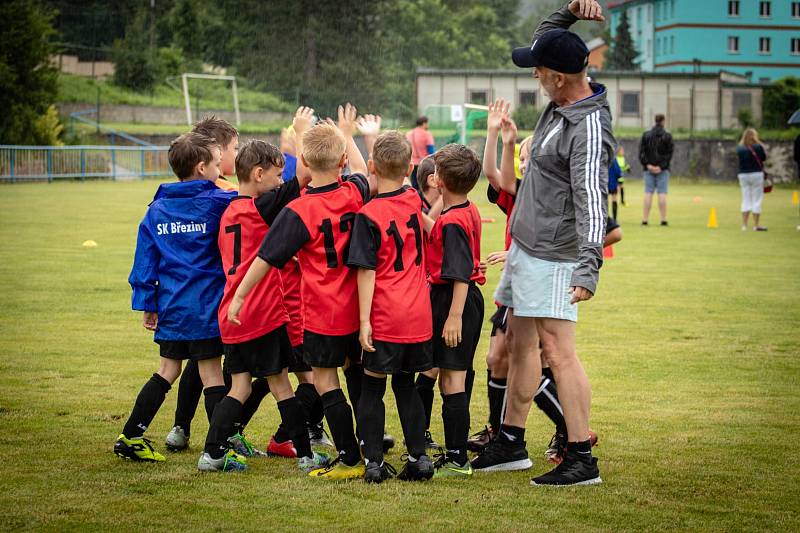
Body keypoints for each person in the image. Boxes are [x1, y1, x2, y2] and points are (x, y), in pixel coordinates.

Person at [476, 0, 613, 487]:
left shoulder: (587, 126)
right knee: (519, 342)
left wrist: (589, 266)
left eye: (538, 69)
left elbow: (592, 199)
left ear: (557, 77)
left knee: (558, 350)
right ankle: (511, 442)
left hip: (557, 254)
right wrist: (567, 11)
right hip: (526, 248)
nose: (533, 74)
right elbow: (547, 38)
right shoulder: (562, 101)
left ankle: (581, 457)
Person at [228, 104, 375, 480]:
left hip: (322, 312)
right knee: (359, 376)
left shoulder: (298, 211)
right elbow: (363, 172)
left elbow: (265, 258)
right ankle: (369, 447)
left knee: (326, 382)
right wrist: (348, 135)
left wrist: (240, 296)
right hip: (359, 308)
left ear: (303, 162)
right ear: (341, 158)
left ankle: (348, 459)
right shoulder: (355, 193)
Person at [200, 139, 331, 472]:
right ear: (258, 174)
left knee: (241, 387)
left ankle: (212, 453)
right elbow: (303, 176)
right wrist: (308, 135)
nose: (279, 181)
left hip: (232, 313)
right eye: (276, 174)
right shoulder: (260, 208)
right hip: (262, 313)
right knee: (282, 385)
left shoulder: (229, 210)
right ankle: (305, 455)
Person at [113, 132, 236, 462]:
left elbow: (144, 261)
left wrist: (147, 303)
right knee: (212, 375)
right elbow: (251, 203)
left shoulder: (157, 209)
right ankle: (218, 450)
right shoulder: (218, 202)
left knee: (167, 370)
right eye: (215, 162)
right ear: (201, 167)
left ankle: (131, 435)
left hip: (171, 308)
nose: (220, 167)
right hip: (205, 307)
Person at [347, 131, 435, 483]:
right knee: (406, 385)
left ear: (370, 167)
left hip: (385, 314)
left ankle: (373, 463)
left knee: (372, 387)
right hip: (418, 313)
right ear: (410, 167)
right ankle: (419, 458)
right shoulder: (414, 199)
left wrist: (364, 320)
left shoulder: (368, 215)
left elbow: (366, 271)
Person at [165, 117, 241, 453]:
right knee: (208, 362)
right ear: (215, 153)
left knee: (199, 362)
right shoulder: (222, 193)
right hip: (213, 290)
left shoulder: (191, 193)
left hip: (185, 295)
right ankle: (220, 438)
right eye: (234, 149)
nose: (237, 156)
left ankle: (182, 427)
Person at [425, 144, 485, 477]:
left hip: (455, 300)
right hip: (456, 298)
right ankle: (455, 455)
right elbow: (434, 226)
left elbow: (460, 272)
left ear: (441, 182)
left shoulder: (453, 222)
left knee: (453, 381)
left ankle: (458, 459)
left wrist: (453, 317)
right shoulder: (464, 209)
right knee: (450, 378)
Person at [639, 114, 674, 226]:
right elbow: (669, 154)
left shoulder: (646, 135)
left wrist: (648, 164)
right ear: (663, 121)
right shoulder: (667, 136)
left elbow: (641, 153)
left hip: (648, 169)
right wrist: (661, 166)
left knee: (648, 193)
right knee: (662, 193)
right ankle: (663, 219)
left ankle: (645, 219)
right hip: (662, 170)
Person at [737, 128, 768, 232]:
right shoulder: (758, 147)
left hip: (743, 175)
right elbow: (763, 158)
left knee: (745, 198)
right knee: (757, 199)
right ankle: (756, 224)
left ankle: (744, 225)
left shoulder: (740, 148)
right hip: (756, 174)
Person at [406, 116, 435, 190]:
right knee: (424, 186)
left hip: (412, 163)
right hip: (424, 164)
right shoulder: (426, 134)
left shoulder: (408, 134)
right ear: (424, 124)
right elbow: (431, 150)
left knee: (414, 184)